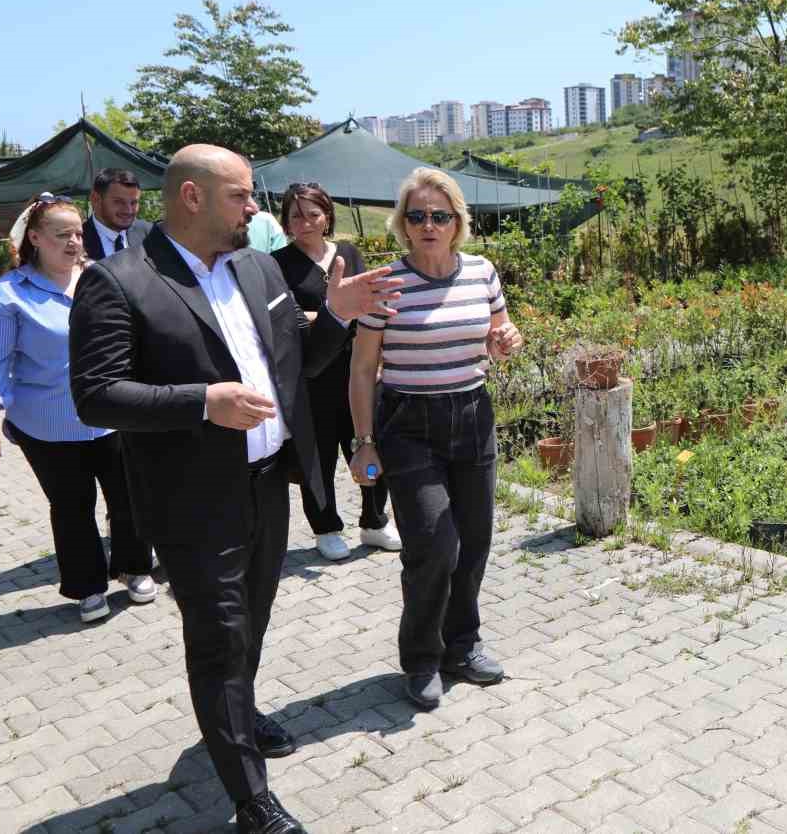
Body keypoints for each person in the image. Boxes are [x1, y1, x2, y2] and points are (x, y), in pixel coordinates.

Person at [69, 146, 402, 834]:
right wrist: (200, 401)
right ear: (192, 197)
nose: (255, 208)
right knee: (219, 636)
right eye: (242, 196)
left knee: (251, 619)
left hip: (266, 484)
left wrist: (336, 318)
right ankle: (251, 799)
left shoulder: (256, 266)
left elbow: (294, 367)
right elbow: (96, 396)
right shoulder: (119, 281)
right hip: (190, 498)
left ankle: (236, 715)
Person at [348, 167, 522, 711]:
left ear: (457, 222)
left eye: (439, 215)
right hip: (409, 426)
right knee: (433, 545)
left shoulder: (482, 272)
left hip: (472, 414)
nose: (428, 224)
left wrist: (506, 340)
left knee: (473, 541)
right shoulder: (386, 286)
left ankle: (462, 646)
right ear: (402, 223)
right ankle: (421, 656)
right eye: (417, 215)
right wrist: (363, 442)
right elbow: (361, 369)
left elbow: (500, 335)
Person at [0, 193, 154, 622]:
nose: (73, 242)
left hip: (113, 415)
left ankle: (134, 567)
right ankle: (88, 587)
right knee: (72, 507)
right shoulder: (7, 297)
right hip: (49, 425)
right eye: (61, 235)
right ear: (34, 238)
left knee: (128, 496)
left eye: (77, 233)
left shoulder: (101, 278)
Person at [271, 182, 399, 561]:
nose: (306, 222)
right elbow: (285, 321)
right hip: (312, 379)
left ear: (327, 216)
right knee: (319, 458)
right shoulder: (277, 264)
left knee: (369, 444)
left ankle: (375, 520)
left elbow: (369, 307)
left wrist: (332, 317)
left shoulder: (348, 253)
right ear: (286, 222)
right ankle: (325, 527)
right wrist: (337, 313)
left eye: (313, 213)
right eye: (296, 215)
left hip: (358, 372)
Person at [82, 167, 151, 260]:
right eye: (119, 202)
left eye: (133, 203)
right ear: (95, 199)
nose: (128, 210)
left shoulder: (149, 234)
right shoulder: (77, 240)